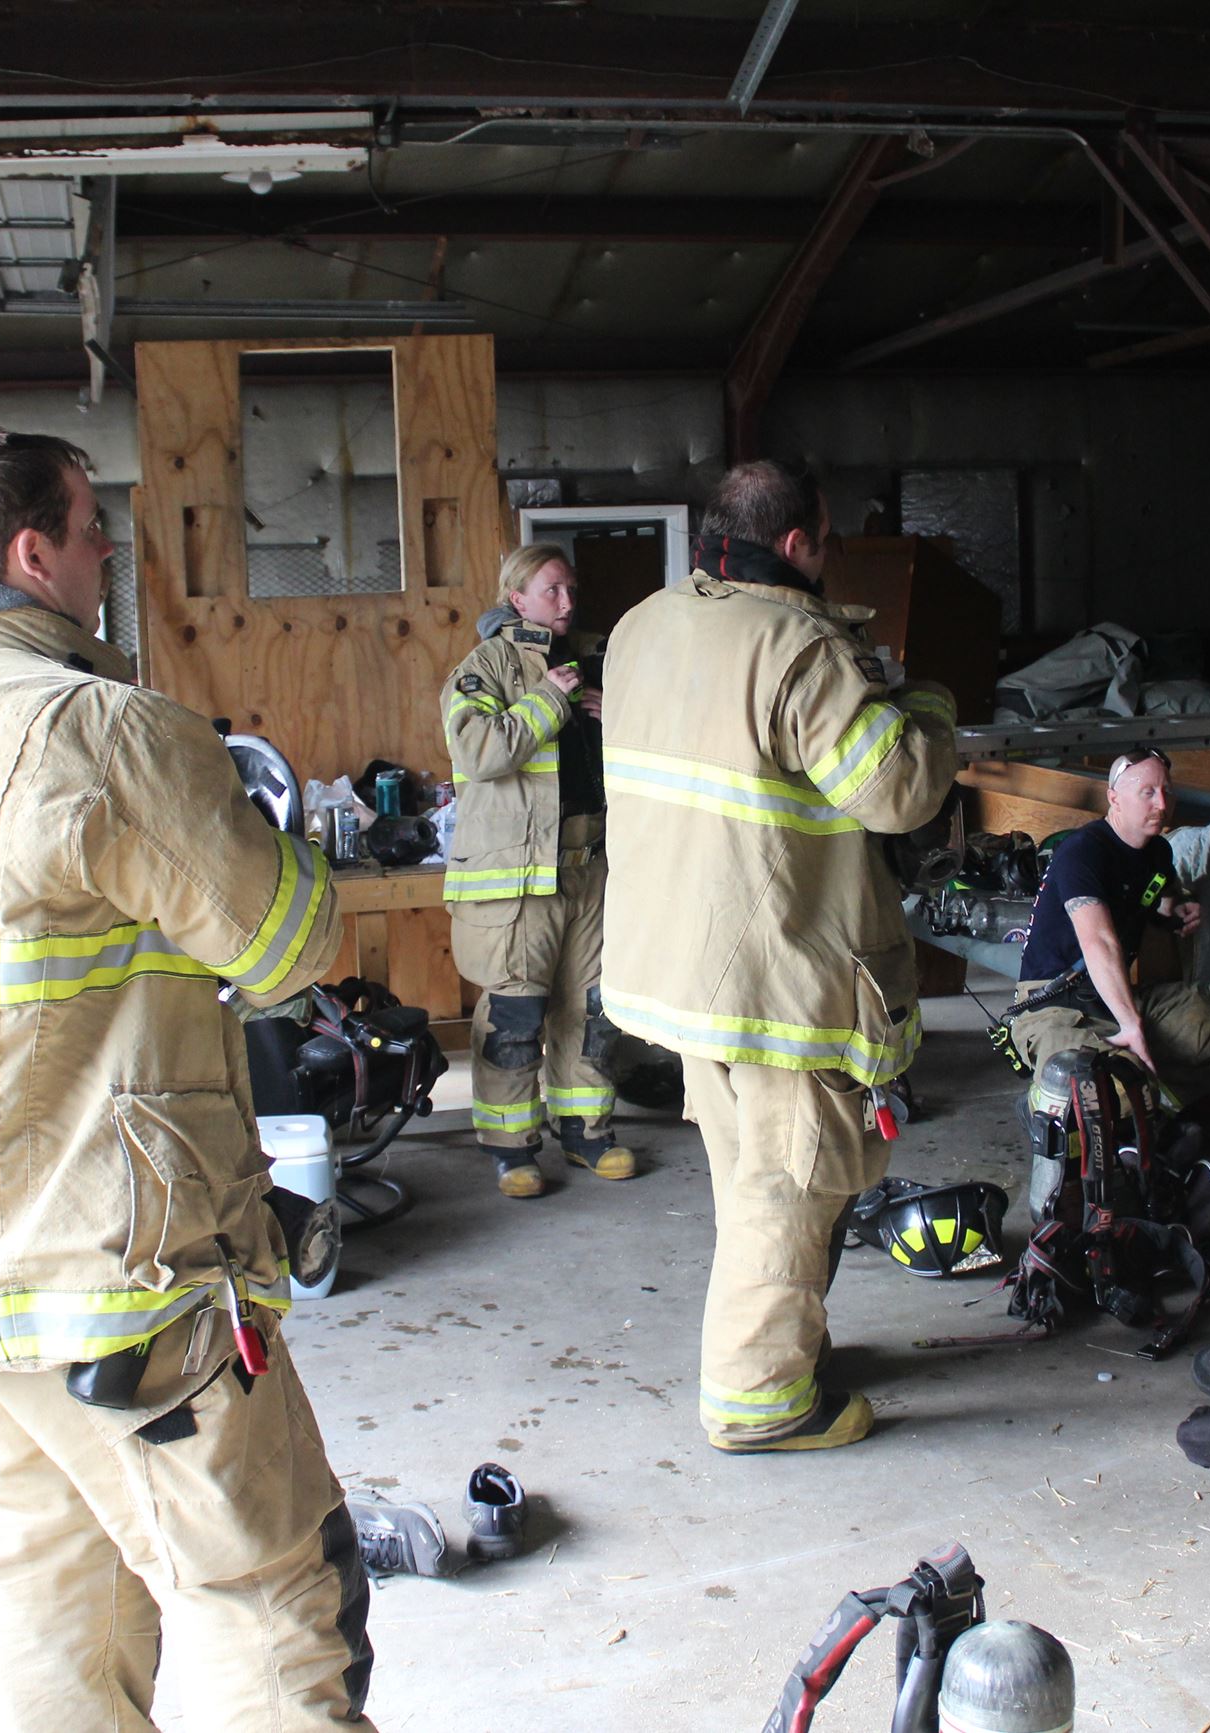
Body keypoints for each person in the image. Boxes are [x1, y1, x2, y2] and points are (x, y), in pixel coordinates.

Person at [0, 415, 374, 1729]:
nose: (112, 557)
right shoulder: (99, 729)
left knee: (58, 1618)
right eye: (97, 533)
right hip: (116, 1289)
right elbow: (289, 946)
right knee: (272, 1597)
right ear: (35, 551)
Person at [601, 460, 957, 1453]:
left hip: (676, 971)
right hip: (775, 976)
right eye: (828, 538)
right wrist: (925, 705)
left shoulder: (643, 624)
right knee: (791, 1186)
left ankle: (783, 1343)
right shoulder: (798, 645)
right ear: (801, 541)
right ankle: (759, 1400)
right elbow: (894, 791)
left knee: (748, 1175)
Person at [442, 541, 633, 1197]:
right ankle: (511, 1147)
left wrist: (625, 721)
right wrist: (547, 701)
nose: (567, 602)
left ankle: (588, 1131)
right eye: (552, 590)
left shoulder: (597, 661)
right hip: (521, 880)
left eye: (571, 589)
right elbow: (477, 749)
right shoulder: (485, 667)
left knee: (592, 1010)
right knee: (516, 1018)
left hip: (592, 868)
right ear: (515, 597)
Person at [1006, 749, 1210, 1103]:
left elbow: (1148, 899)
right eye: (1147, 792)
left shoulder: (1157, 853)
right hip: (1056, 1002)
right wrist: (1131, 1024)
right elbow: (1099, 942)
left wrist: (1175, 909)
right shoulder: (1083, 851)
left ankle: (1164, 1115)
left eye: (1166, 791)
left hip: (1116, 994)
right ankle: (1066, 1109)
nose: (1162, 803)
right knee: (1101, 1082)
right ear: (1114, 799)